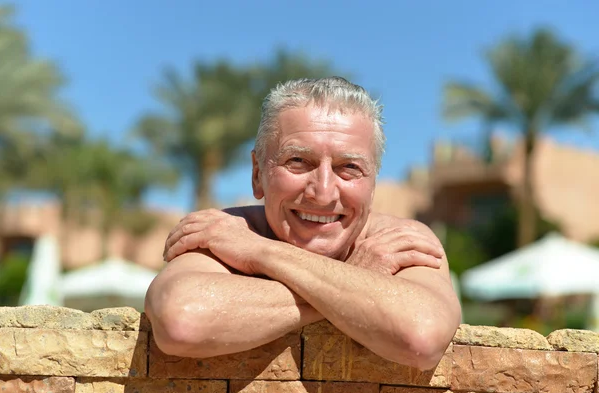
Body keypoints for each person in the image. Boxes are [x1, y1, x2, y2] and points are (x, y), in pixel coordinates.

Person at [145, 77, 461, 371]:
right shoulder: (222, 231)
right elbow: (182, 321)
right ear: (258, 174)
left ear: (372, 184)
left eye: (349, 167)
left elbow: (422, 337)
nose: (323, 193)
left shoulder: (396, 241)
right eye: (297, 162)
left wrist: (259, 252)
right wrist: (356, 286)